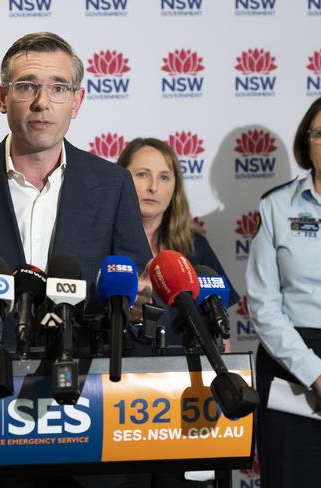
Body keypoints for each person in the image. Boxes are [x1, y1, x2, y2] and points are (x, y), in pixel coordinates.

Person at [0, 32, 151, 488]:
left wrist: (136, 308)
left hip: (88, 417)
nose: (42, 102)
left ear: (77, 101)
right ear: (2, 97)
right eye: (26, 86)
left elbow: (139, 301)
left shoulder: (112, 184)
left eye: (57, 88)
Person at [246, 93, 321, 487]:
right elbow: (263, 304)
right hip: (291, 372)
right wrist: (317, 374)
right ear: (307, 144)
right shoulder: (276, 207)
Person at [117, 138, 239, 488]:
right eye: (141, 174)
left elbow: (222, 337)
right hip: (122, 404)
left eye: (165, 177)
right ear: (120, 181)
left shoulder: (195, 248)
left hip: (187, 400)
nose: (154, 186)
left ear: (176, 188)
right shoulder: (99, 246)